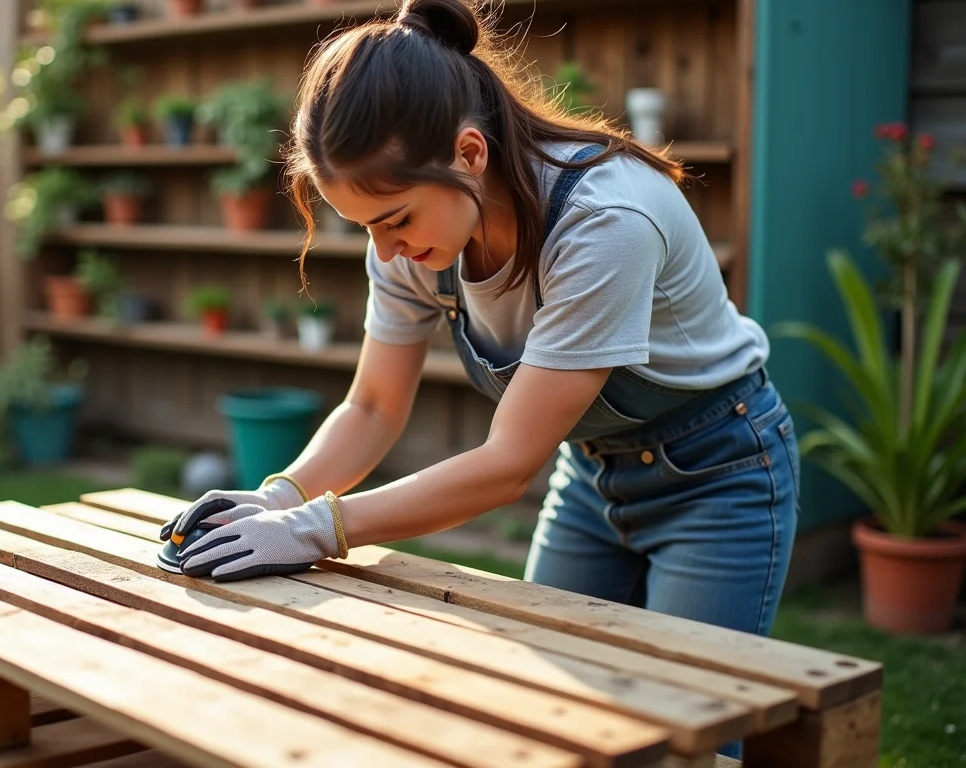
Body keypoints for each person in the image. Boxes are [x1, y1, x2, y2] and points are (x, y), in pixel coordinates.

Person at [159, 0, 800, 722]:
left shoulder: (604, 222)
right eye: (366, 228)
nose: (386, 251)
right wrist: (279, 497)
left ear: (470, 154)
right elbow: (371, 407)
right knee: (551, 712)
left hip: (717, 472)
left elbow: (506, 463)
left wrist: (313, 529)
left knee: (690, 727)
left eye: (395, 219)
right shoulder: (412, 236)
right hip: (593, 471)